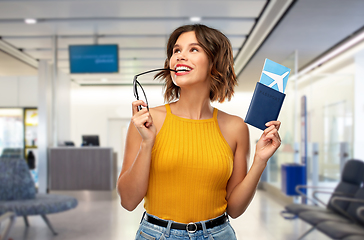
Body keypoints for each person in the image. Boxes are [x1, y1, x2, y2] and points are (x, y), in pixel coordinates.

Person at [117, 24, 281, 240]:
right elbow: (128, 202)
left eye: (193, 49)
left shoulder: (235, 128)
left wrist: (260, 161)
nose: (180, 56)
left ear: (214, 62)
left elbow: (235, 209)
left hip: (218, 234)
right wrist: (147, 144)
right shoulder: (148, 121)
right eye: (176, 50)